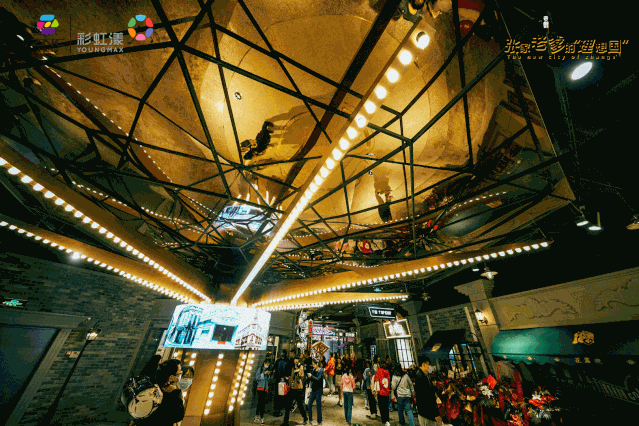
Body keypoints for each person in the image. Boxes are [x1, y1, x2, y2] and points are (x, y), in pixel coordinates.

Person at [134, 359, 185, 426]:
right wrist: (175, 393)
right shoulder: (172, 395)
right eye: (179, 373)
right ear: (171, 378)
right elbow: (178, 416)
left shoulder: (151, 383)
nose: (180, 375)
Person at [414, 356, 443, 426]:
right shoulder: (420, 376)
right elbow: (427, 397)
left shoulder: (424, 375)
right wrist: (436, 414)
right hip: (426, 413)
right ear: (424, 364)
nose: (429, 367)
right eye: (428, 364)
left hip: (426, 412)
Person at [282, 356, 308, 426]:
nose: (296, 361)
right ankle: (285, 421)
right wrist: (287, 378)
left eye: (297, 359)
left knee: (300, 405)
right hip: (292, 388)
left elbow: (302, 376)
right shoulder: (292, 367)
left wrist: (298, 373)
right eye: (295, 359)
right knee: (288, 405)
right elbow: (290, 375)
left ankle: (305, 418)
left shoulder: (301, 367)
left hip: (298, 388)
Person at [373, 361, 391, 426]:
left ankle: (383, 419)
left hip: (380, 391)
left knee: (381, 406)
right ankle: (387, 420)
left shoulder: (379, 371)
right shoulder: (388, 372)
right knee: (386, 407)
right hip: (387, 391)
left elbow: (375, 379)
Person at [307, 359, 324, 426]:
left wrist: (311, 376)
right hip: (313, 390)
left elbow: (318, 379)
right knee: (309, 404)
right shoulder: (313, 370)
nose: (313, 365)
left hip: (318, 390)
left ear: (317, 364)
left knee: (318, 406)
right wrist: (309, 377)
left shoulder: (320, 371)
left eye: (314, 364)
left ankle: (319, 421)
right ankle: (310, 419)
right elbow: (312, 379)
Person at [255, 359, 271, 424]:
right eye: (267, 364)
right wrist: (263, 374)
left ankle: (259, 416)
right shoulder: (260, 369)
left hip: (265, 388)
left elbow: (267, 379)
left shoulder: (267, 370)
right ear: (264, 363)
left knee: (262, 403)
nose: (267, 365)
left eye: (268, 364)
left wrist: (269, 374)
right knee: (260, 403)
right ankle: (260, 416)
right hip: (260, 388)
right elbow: (257, 378)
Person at [274, 350, 289, 417]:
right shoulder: (287, 361)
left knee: (277, 395)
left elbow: (274, 369)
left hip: (277, 380)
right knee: (282, 395)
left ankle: (276, 410)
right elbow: (288, 371)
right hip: (284, 380)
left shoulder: (277, 361)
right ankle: (280, 410)